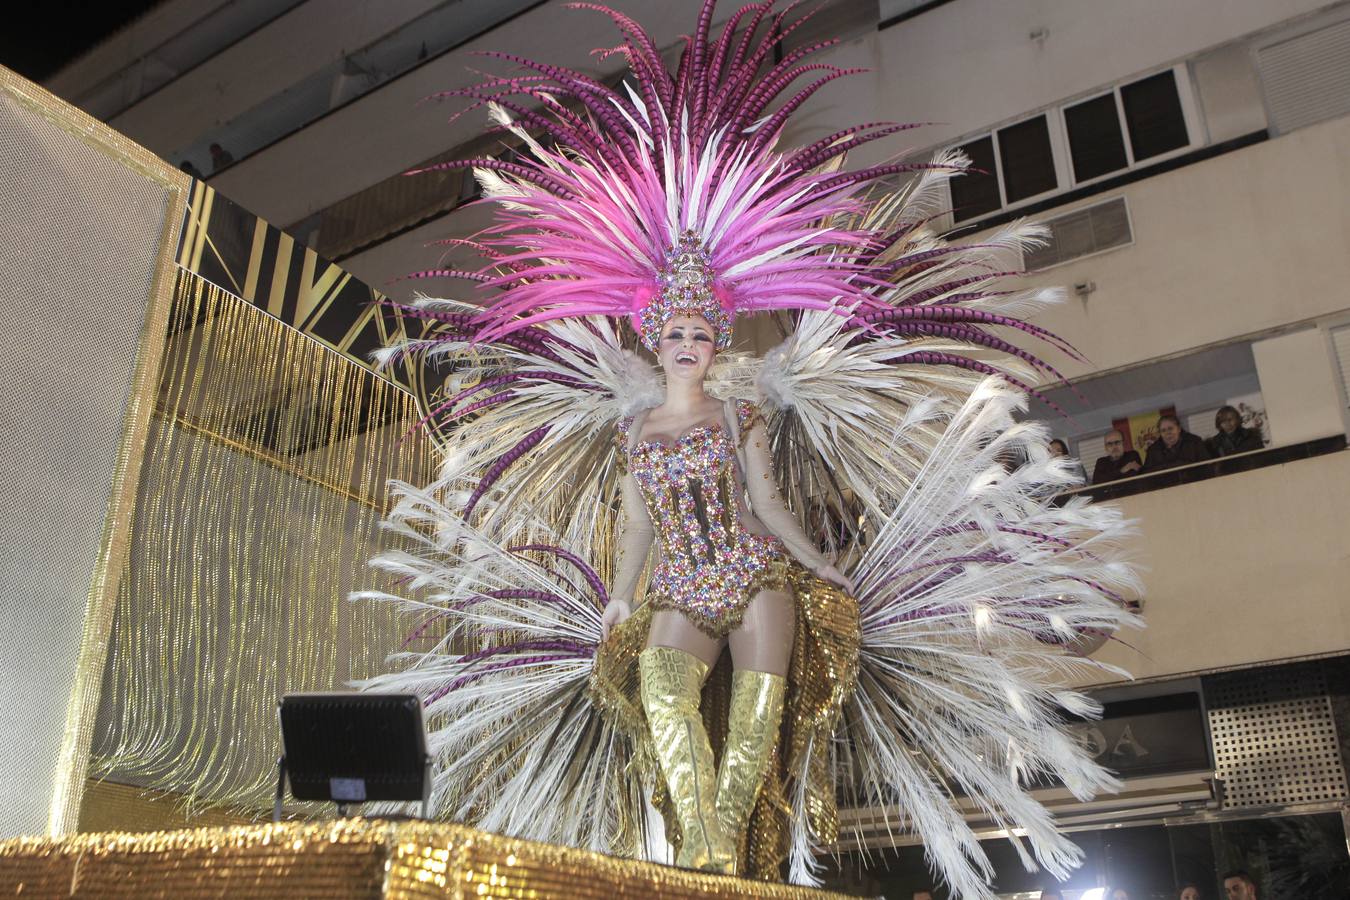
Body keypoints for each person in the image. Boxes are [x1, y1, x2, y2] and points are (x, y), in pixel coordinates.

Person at [355, 0, 1138, 890]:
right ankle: (704, 847)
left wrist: (821, 565)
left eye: (701, 332)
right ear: (655, 337)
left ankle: (716, 851)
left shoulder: (740, 417)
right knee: (663, 698)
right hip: (682, 586)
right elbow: (641, 520)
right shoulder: (636, 428)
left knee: (759, 730)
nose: (689, 344)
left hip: (758, 575)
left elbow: (766, 505)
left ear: (714, 339)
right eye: (676, 333)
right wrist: (618, 599)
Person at [1142, 414, 1210, 472]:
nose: (1168, 433)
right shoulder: (1153, 451)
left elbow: (1207, 466)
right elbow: (1148, 474)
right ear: (1160, 433)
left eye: (1170, 428)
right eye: (1163, 430)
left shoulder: (1194, 442)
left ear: (1179, 429)